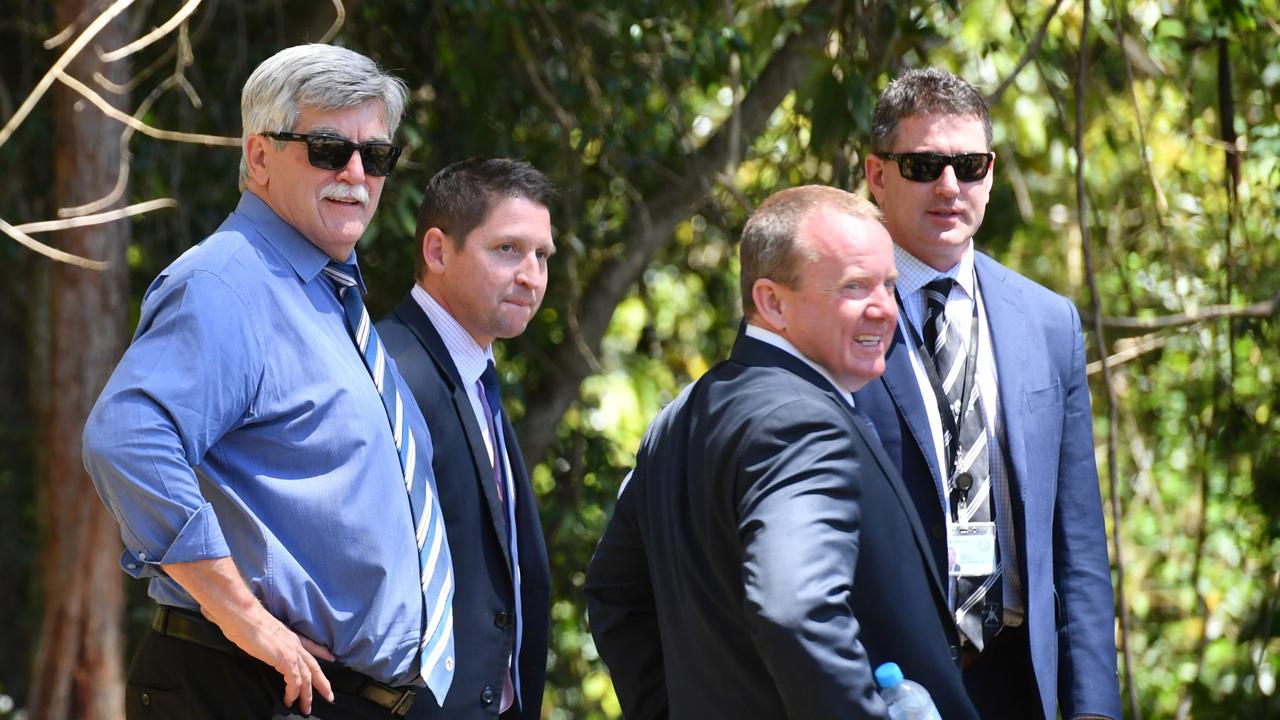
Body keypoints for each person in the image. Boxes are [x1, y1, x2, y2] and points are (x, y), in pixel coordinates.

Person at [83, 44, 453, 719]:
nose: (355, 174)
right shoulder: (228, 281)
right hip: (249, 689)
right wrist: (247, 620)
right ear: (259, 157)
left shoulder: (324, 294)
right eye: (326, 148)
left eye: (375, 157)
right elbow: (127, 439)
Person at [584, 186, 979, 719]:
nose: (885, 310)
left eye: (889, 285)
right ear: (772, 301)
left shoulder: (682, 414)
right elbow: (795, 609)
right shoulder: (801, 421)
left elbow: (616, 594)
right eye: (854, 287)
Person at [855, 66, 1122, 719]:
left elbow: (1077, 545)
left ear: (992, 173)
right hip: (888, 688)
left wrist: (1092, 708)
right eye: (924, 166)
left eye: (969, 165)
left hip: (1020, 680)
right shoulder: (834, 319)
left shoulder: (1047, 321)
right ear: (876, 175)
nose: (950, 186)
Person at [375, 158, 555, 719]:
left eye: (542, 255)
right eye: (507, 249)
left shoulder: (476, 372)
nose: (531, 275)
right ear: (437, 251)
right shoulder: (388, 369)